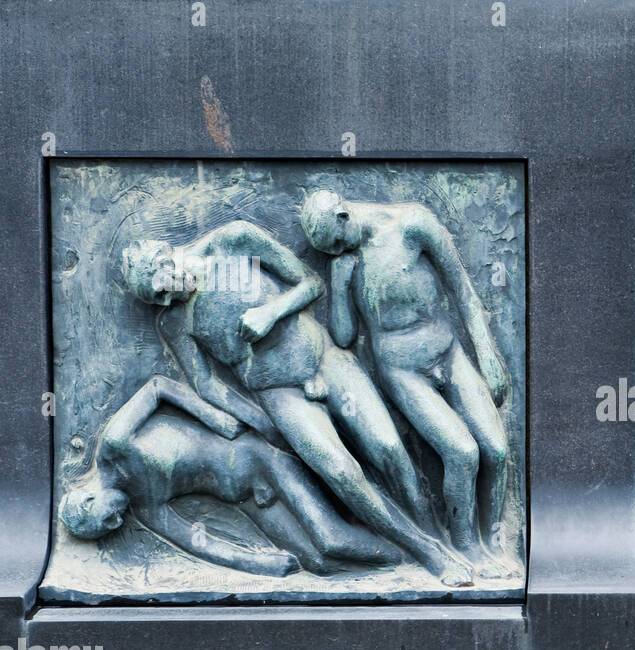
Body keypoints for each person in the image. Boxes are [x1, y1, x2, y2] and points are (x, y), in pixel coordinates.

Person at [120, 222, 469, 582]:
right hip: (279, 394)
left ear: (166, 260)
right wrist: (261, 422)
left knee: (388, 449)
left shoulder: (234, 241)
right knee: (340, 472)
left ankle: (434, 537)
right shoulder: (175, 321)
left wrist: (271, 312)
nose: (165, 300)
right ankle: (427, 553)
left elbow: (311, 283)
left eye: (162, 289)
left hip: (327, 363)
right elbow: (206, 384)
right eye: (157, 300)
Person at [59, 376, 470, 582]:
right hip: (248, 499)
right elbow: (199, 542)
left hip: (259, 459)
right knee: (317, 563)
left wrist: (215, 417)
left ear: (90, 500)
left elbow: (158, 387)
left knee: (332, 538)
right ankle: (400, 561)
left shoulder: (115, 444)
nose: (117, 523)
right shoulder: (144, 507)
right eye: (109, 530)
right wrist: (258, 562)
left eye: (106, 520)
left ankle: (420, 555)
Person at [299, 191, 516, 573]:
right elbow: (346, 337)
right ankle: (467, 548)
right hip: (401, 371)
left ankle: (495, 543)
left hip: (449, 353)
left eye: (335, 241)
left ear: (344, 215)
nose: (335, 252)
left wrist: (487, 355)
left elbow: (462, 290)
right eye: (327, 250)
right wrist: (339, 283)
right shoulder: (344, 262)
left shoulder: (413, 224)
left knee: (496, 451)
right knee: (462, 452)